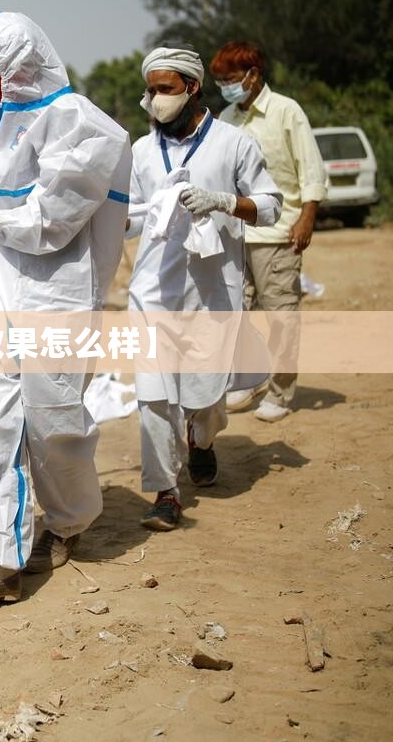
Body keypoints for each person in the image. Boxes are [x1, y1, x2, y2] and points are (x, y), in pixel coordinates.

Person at [0, 12, 131, 603]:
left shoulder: (84, 124)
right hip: (1, 294)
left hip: (58, 296)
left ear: (25, 63)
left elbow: (55, 220)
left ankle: (69, 521)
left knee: (54, 426)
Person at [126, 45, 282, 532]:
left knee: (207, 399)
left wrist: (224, 202)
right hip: (152, 291)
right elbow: (127, 218)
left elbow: (272, 205)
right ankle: (165, 492)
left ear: (192, 87)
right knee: (153, 396)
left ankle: (203, 440)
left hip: (213, 293)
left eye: (165, 89)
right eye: (149, 90)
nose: (154, 100)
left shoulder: (233, 144)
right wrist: (141, 214)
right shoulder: (140, 150)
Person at [211, 41, 328, 423]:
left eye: (230, 79)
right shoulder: (226, 119)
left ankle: (280, 390)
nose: (226, 86)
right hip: (235, 234)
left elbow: (310, 168)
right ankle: (245, 379)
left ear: (253, 75)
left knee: (281, 316)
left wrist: (306, 217)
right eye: (220, 81)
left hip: (277, 233)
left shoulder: (285, 112)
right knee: (234, 313)